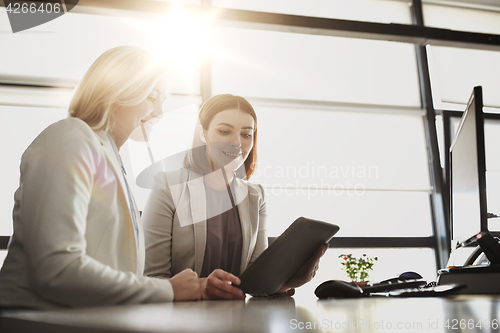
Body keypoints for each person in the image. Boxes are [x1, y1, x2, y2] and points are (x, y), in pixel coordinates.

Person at [0, 46, 202, 309]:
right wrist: (168, 289)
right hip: (35, 321)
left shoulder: (109, 157)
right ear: (116, 89)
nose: (160, 113)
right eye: (152, 97)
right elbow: (58, 271)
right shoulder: (69, 138)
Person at [142, 94, 328, 300]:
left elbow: (256, 282)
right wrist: (200, 287)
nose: (237, 143)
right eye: (224, 131)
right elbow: (152, 278)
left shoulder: (254, 196)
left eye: (246, 134)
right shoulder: (168, 186)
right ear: (203, 133)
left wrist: (286, 282)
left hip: (237, 320)